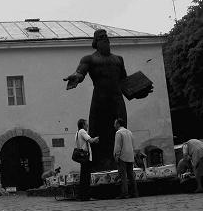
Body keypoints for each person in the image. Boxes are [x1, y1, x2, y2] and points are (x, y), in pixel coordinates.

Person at [64, 29, 152, 171]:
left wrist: (138, 93)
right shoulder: (89, 59)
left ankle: (121, 165)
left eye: (106, 37)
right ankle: (98, 165)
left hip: (117, 100)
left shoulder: (118, 59)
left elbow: (124, 82)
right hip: (99, 101)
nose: (105, 39)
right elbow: (80, 72)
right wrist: (76, 77)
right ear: (95, 42)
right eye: (101, 38)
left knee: (120, 133)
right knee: (97, 133)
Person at [113, 118, 138, 199]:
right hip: (130, 156)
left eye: (115, 123)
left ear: (118, 124)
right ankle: (134, 192)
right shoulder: (129, 132)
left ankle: (124, 193)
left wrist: (116, 155)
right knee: (131, 175)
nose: (114, 125)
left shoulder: (119, 133)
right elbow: (133, 144)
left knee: (123, 175)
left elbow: (118, 146)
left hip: (122, 156)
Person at [75, 118, 99, 201]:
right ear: (83, 125)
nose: (87, 125)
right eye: (86, 124)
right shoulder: (82, 131)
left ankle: (82, 195)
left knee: (83, 177)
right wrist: (96, 138)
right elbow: (90, 140)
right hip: (86, 157)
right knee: (86, 177)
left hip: (82, 157)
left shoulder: (77, 132)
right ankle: (86, 196)